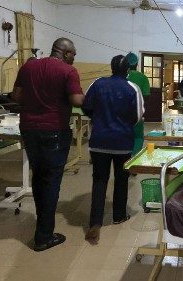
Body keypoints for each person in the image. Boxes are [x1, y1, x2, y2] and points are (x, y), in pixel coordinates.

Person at [11, 38, 84, 251]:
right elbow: (77, 100)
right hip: (54, 130)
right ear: (66, 52)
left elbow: (17, 96)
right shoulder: (68, 71)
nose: (74, 58)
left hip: (29, 130)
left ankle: (42, 225)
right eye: (74, 54)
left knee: (39, 176)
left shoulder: (29, 66)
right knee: (51, 181)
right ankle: (44, 236)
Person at [81, 55, 144, 245]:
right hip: (122, 142)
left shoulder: (97, 84)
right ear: (127, 70)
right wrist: (123, 125)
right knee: (121, 179)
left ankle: (95, 222)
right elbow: (138, 116)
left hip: (99, 141)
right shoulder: (132, 88)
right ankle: (118, 216)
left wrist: (99, 120)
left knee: (99, 181)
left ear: (111, 67)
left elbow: (86, 107)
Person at [125, 52, 150, 157]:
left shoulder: (121, 76)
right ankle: (133, 161)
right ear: (137, 64)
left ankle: (123, 159)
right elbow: (146, 96)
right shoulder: (142, 77)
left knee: (124, 135)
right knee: (138, 137)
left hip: (120, 112)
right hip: (136, 112)